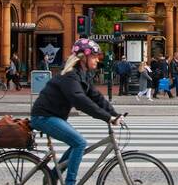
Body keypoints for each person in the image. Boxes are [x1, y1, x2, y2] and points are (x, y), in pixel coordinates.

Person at [31, 38, 123, 185]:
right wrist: (107, 118)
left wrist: (114, 114)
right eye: (94, 56)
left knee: (77, 143)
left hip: (53, 116)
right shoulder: (70, 75)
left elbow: (96, 96)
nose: (97, 60)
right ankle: (70, 182)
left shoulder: (82, 74)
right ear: (83, 57)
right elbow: (80, 100)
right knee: (79, 143)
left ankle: (53, 176)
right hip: (43, 117)